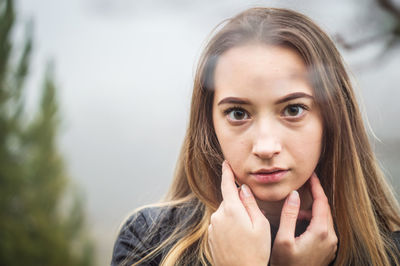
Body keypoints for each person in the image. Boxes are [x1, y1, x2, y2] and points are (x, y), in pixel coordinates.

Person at [111, 7, 400, 266]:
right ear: (209, 126)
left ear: (332, 118)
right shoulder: (148, 243)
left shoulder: (391, 252)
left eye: (293, 109)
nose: (265, 147)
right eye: (238, 113)